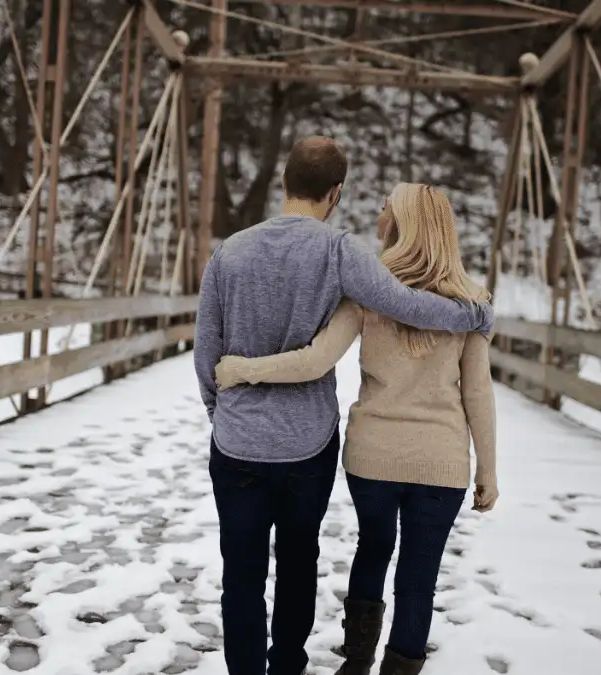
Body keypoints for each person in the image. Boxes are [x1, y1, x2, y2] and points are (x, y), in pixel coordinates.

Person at [193, 138, 493, 675]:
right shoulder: (339, 251)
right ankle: (287, 665)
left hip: (237, 444)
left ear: (284, 182)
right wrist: (475, 316)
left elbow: (205, 351)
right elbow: (405, 304)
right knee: (298, 564)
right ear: (336, 193)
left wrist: (226, 416)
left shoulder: (228, 251)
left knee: (240, 573)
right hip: (308, 444)